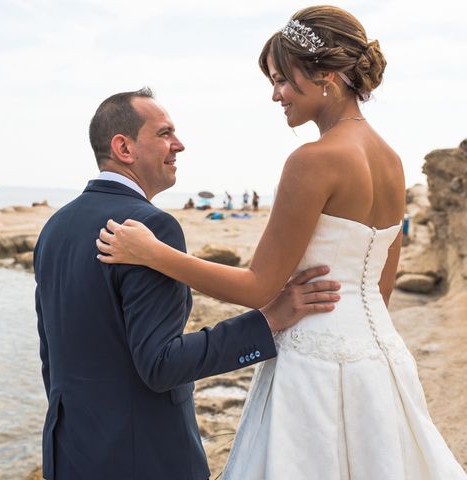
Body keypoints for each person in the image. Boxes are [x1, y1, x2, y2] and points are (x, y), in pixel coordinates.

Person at [96, 7, 466, 479]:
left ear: (326, 74)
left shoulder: (313, 160)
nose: (275, 95)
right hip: (380, 357)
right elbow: (382, 287)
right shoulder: (392, 162)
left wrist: (154, 254)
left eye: (282, 79)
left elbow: (256, 287)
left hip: (312, 361)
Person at [34, 88, 341, 480]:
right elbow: (161, 364)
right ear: (123, 148)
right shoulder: (151, 227)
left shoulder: (54, 227)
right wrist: (267, 321)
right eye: (165, 133)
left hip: (69, 453)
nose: (179, 145)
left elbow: (51, 356)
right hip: (144, 458)